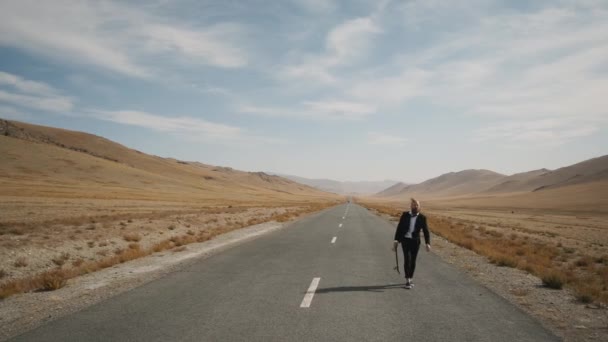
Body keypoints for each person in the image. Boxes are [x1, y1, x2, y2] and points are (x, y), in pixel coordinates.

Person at [392, 198, 431, 289]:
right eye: (414, 205)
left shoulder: (422, 217)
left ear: (419, 206)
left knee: (413, 261)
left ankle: (411, 277)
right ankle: (407, 280)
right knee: (407, 259)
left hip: (415, 242)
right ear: (411, 206)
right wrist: (396, 240)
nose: (415, 206)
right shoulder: (405, 215)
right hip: (405, 240)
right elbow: (399, 228)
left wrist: (427, 243)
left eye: (417, 205)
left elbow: (426, 231)